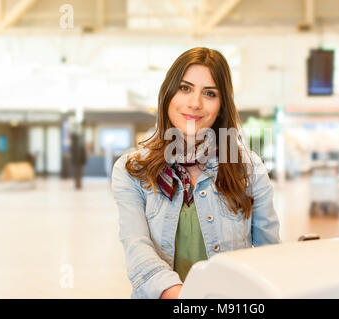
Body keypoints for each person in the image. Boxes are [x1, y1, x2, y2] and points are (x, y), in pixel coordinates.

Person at [111, 47, 280, 299]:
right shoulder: (132, 171)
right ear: (168, 94)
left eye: (209, 93)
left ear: (221, 105)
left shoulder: (249, 170)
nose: (195, 103)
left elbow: (269, 257)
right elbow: (137, 248)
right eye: (185, 88)